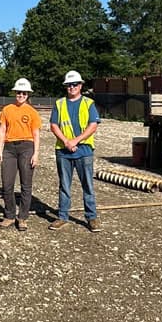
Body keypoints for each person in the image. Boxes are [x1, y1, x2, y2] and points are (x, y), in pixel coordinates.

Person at [49, 70, 101, 232]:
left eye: (75, 84)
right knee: (64, 185)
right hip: (63, 151)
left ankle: (91, 217)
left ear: (80, 86)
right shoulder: (59, 104)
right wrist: (66, 142)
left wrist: (75, 141)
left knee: (88, 186)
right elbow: (53, 125)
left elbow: (93, 125)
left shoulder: (88, 103)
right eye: (69, 85)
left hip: (84, 150)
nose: (72, 87)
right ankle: (62, 216)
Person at [0, 77, 41, 232]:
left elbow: (36, 133)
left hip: (27, 147)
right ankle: (9, 215)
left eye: (24, 93)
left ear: (28, 94)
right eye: (18, 92)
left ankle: (22, 218)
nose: (21, 95)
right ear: (15, 93)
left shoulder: (33, 112)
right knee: (7, 184)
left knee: (25, 185)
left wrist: (36, 154)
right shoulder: (7, 109)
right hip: (9, 148)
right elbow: (2, 130)